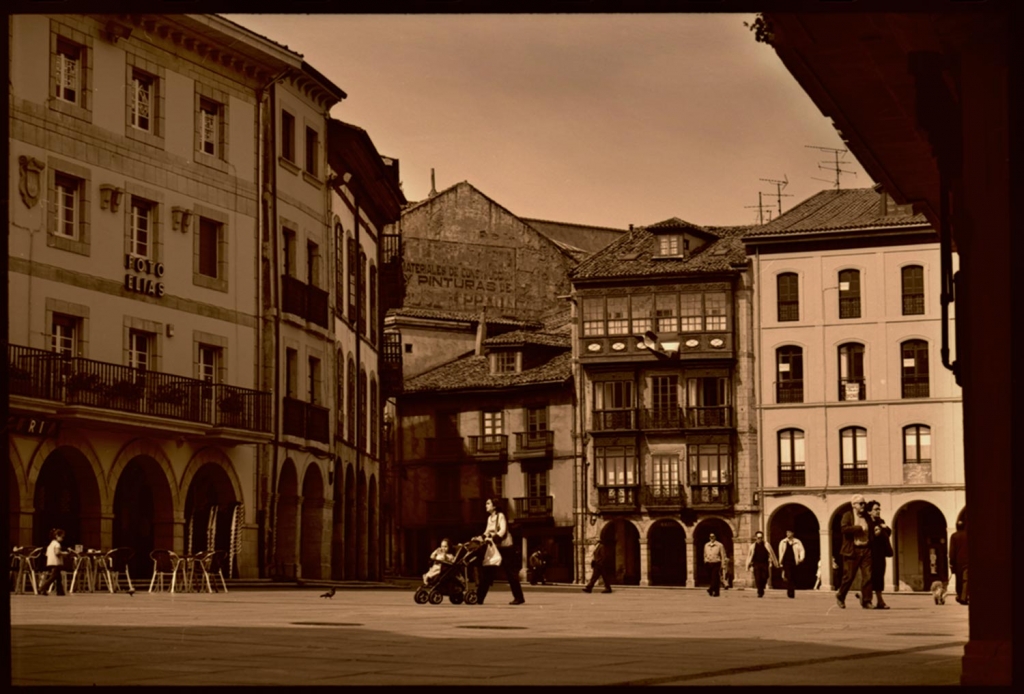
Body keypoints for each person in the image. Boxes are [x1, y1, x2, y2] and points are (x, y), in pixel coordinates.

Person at [476, 498, 525, 605]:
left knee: (511, 574)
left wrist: (494, 538)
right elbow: (487, 531)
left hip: (506, 549)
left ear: (494, 506)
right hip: (495, 548)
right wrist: (480, 538)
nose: (486, 505)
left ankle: (519, 597)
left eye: (488, 503)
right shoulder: (490, 518)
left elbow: (503, 530)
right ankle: (479, 598)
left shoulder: (500, 516)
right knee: (487, 572)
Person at [836, 494, 873, 609]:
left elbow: (872, 527)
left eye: (864, 503)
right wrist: (859, 528)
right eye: (861, 503)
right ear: (854, 505)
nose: (863, 505)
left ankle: (867, 601)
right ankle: (840, 596)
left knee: (868, 576)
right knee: (849, 576)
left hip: (866, 549)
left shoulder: (867, 516)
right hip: (852, 550)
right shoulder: (848, 516)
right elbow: (844, 529)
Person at [865, 500, 893, 609]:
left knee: (879, 577)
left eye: (879, 509)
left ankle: (878, 600)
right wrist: (876, 533)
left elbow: (888, 532)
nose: (878, 511)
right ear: (869, 512)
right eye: (876, 509)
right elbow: (867, 537)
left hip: (880, 554)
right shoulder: (867, 523)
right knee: (870, 578)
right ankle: (874, 600)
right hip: (870, 554)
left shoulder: (880, 521)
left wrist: (883, 528)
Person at [745, 530, 780, 598]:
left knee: (765, 577)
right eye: (758, 538)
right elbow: (749, 556)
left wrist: (773, 562)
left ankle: (762, 587)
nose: (759, 539)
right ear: (756, 538)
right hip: (756, 564)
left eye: (761, 537)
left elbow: (771, 554)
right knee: (757, 578)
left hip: (764, 563)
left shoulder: (766, 545)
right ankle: (760, 591)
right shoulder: (753, 546)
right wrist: (749, 564)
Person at [37, 528, 67, 596]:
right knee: (53, 577)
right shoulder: (57, 544)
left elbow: (47, 554)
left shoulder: (51, 544)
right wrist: (64, 553)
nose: (63, 539)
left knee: (58, 577)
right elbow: (57, 553)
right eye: (62, 537)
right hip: (56, 562)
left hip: (50, 561)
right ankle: (42, 588)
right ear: (57, 536)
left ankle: (60, 591)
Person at [777, 529, 806, 599]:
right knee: (789, 576)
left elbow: (802, 550)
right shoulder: (783, 542)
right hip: (786, 562)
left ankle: (791, 590)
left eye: (789, 532)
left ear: (793, 533)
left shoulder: (797, 542)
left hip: (794, 562)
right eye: (787, 532)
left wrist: (801, 558)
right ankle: (790, 592)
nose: (788, 534)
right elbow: (780, 552)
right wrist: (780, 561)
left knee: (793, 577)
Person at [949, 518, 968, 605]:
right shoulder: (968, 535)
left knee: (959, 580)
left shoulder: (954, 536)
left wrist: (951, 562)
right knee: (965, 580)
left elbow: (952, 551)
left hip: (958, 562)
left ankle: (960, 596)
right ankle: (963, 597)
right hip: (967, 561)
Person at [704, 533, 725, 597]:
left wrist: (723, 564)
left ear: (715, 537)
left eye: (713, 536)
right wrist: (705, 560)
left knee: (714, 577)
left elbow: (723, 555)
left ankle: (711, 589)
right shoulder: (706, 545)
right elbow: (705, 554)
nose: (711, 538)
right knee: (712, 578)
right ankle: (716, 592)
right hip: (709, 562)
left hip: (716, 562)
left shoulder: (719, 545)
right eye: (710, 536)